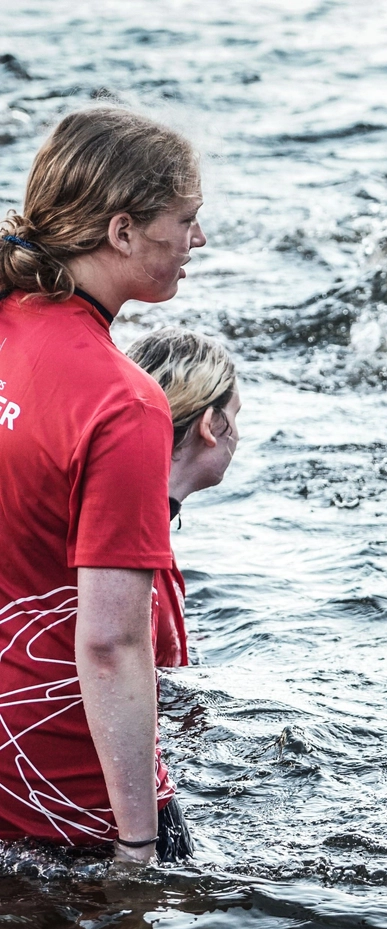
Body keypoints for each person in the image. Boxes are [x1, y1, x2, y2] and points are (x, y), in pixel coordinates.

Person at [0, 106, 205, 864]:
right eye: (186, 220)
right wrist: (138, 845)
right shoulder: (123, 404)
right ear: (122, 232)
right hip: (66, 785)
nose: (197, 242)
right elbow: (114, 642)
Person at [125, 330, 241, 675]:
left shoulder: (136, 518)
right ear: (209, 425)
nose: (238, 432)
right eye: (235, 415)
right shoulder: (136, 547)